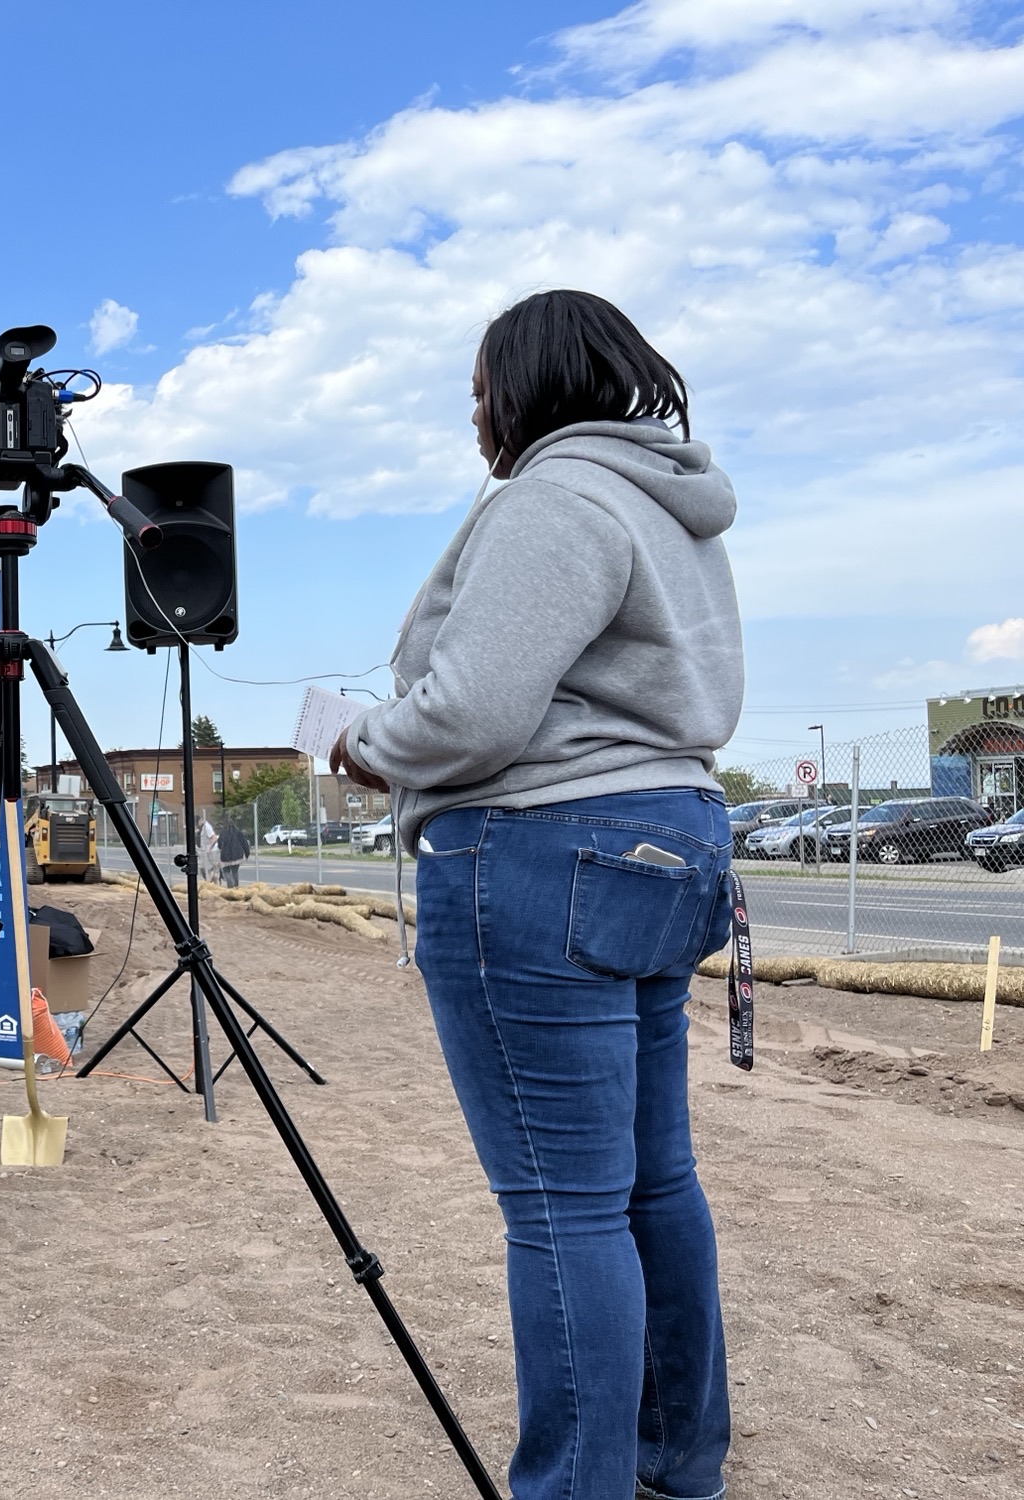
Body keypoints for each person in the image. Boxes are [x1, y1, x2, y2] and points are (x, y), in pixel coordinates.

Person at [330, 290, 743, 1500]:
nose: (473, 418)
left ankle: (575, 1486)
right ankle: (676, 1456)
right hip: (665, 832)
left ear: (528, 386)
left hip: (540, 848)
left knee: (563, 1207)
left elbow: (474, 711)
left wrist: (367, 743)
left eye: (476, 392)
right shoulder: (674, 509)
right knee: (648, 1179)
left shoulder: (550, 498)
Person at [217, 818, 250, 887]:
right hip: (237, 856)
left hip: (225, 857)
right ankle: (236, 887)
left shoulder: (223, 833)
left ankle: (231, 885)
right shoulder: (238, 832)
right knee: (235, 871)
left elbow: (219, 845)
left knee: (226, 871)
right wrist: (247, 854)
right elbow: (244, 843)